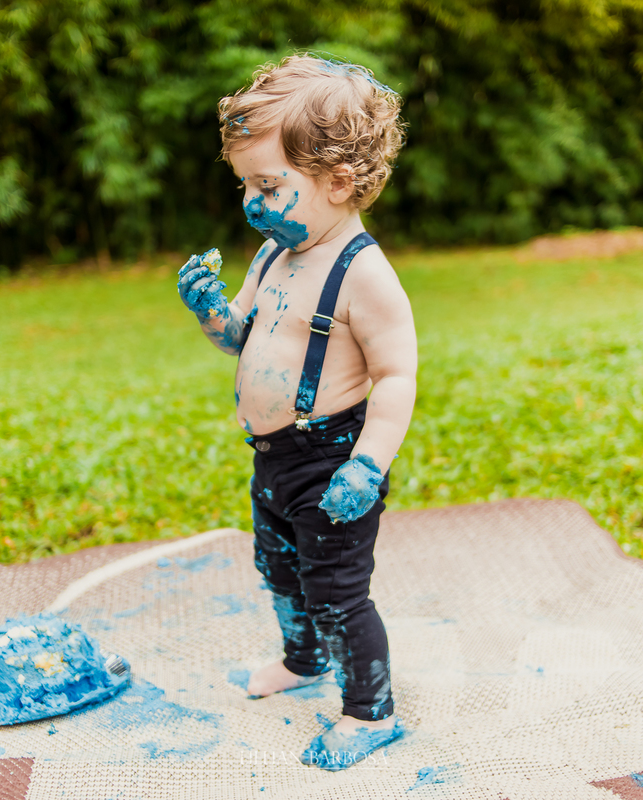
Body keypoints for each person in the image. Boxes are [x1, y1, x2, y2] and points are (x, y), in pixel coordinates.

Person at [176, 54, 417, 771]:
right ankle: (300, 658)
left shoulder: (363, 273)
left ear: (338, 182)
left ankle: (370, 712)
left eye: (269, 185)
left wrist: (368, 465)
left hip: (332, 460)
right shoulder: (272, 257)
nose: (251, 201)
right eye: (244, 185)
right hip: (274, 459)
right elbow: (239, 339)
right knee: (279, 571)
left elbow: (397, 376)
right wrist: (210, 312)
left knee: (337, 590)